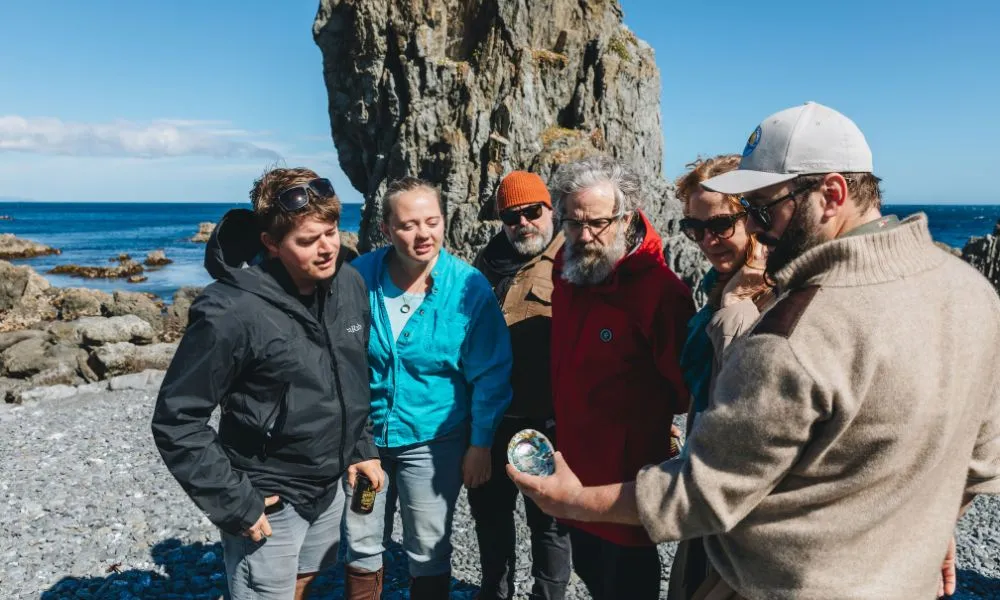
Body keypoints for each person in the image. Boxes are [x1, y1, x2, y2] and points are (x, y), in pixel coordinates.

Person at [509, 102, 1000, 600]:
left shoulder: (796, 331)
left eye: (763, 208)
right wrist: (932, 530)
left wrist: (573, 500)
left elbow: (703, 492)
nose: (758, 229)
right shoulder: (973, 293)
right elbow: (982, 458)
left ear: (832, 195)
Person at [151, 168, 382, 600]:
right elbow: (176, 419)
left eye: (331, 232)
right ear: (271, 243)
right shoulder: (230, 311)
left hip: (328, 484)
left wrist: (362, 448)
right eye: (308, 241)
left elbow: (353, 376)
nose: (327, 248)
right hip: (268, 495)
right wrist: (235, 502)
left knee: (306, 578)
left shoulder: (349, 282)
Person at [345, 177, 513, 600]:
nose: (423, 234)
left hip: (434, 439)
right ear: (386, 229)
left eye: (432, 221)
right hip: (364, 437)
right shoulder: (357, 278)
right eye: (408, 225)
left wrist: (480, 444)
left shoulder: (469, 287)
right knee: (361, 540)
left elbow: (491, 373)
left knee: (428, 546)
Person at [546, 155, 694, 599]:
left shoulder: (660, 292)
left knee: (627, 584)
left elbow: (685, 392)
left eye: (598, 223)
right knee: (590, 572)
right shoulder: (567, 270)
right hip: (572, 466)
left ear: (626, 218)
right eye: (573, 223)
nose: (584, 236)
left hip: (625, 482)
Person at [669, 155, 774, 598]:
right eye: (694, 228)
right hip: (707, 490)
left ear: (757, 219)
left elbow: (749, 413)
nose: (706, 241)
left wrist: (734, 306)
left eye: (719, 225)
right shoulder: (721, 286)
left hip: (744, 521)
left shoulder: (777, 301)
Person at [469, 171, 571, 600]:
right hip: (490, 419)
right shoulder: (486, 262)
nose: (523, 223)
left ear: (551, 210)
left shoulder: (571, 259)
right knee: (489, 517)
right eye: (512, 216)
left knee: (548, 521)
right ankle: (494, 592)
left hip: (545, 419)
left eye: (532, 211)